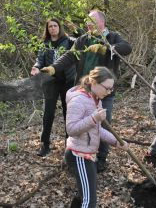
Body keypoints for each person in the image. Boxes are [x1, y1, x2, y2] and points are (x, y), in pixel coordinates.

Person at [42, 10, 132, 172]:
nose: (88, 25)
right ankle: (77, 156)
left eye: (91, 22)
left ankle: (101, 158)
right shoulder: (83, 40)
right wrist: (54, 68)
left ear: (101, 22)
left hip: (104, 91)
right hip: (84, 92)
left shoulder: (112, 37)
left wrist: (107, 47)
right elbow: (70, 56)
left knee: (104, 123)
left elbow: (127, 47)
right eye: (87, 23)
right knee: (81, 122)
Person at [64, 66, 128, 207]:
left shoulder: (95, 99)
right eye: (107, 88)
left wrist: (117, 141)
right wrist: (94, 118)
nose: (109, 92)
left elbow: (97, 130)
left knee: (84, 195)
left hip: (88, 153)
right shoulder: (79, 100)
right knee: (89, 201)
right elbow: (71, 129)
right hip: (79, 155)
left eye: (111, 89)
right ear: (94, 82)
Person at [30, 18, 76, 157]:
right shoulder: (44, 44)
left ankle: (70, 145)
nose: (52, 28)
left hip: (67, 82)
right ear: (47, 29)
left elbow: (82, 41)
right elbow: (40, 60)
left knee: (68, 113)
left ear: (59, 27)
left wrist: (74, 27)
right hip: (50, 82)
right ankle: (45, 145)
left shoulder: (69, 41)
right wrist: (36, 67)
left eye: (55, 26)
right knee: (48, 113)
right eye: (50, 26)